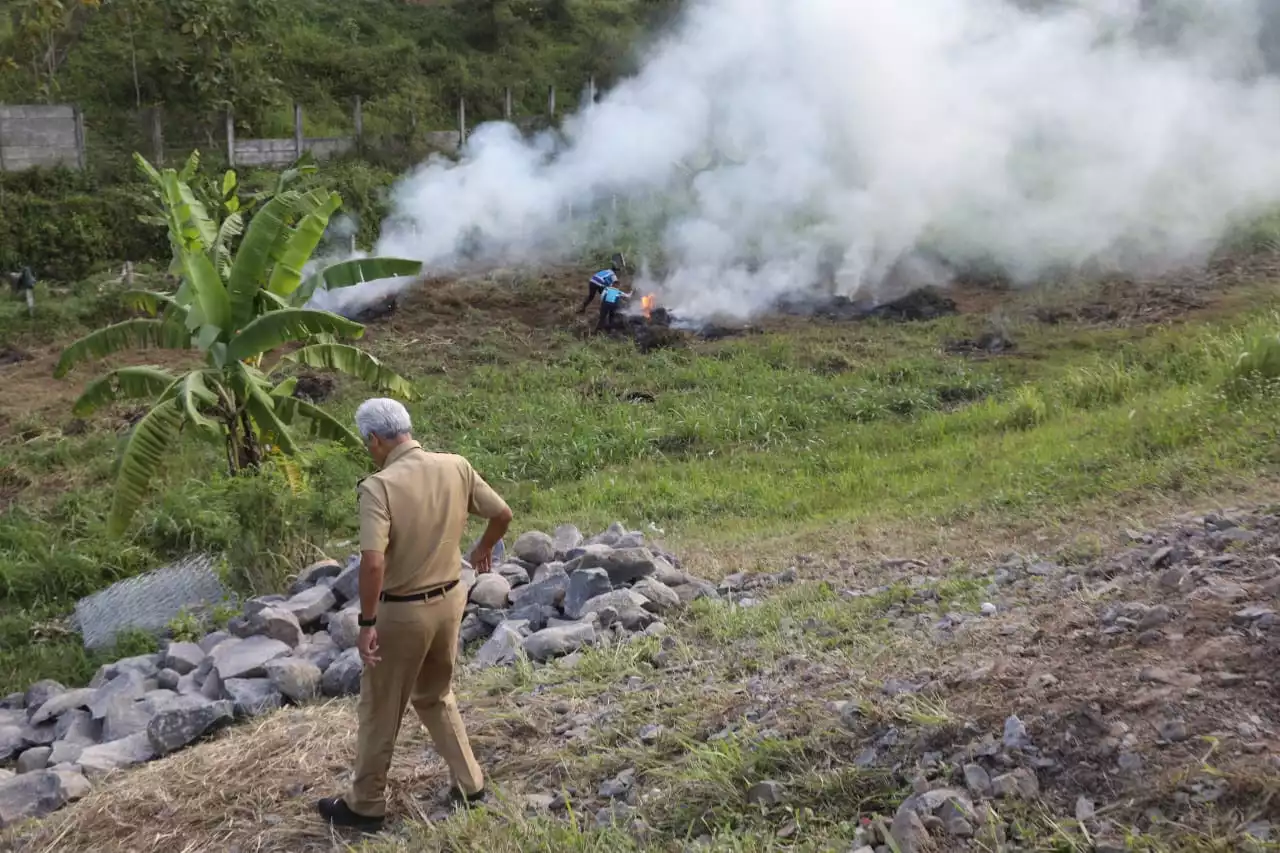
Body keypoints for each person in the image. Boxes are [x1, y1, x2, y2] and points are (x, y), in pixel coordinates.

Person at [317, 398, 513, 833]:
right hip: (450, 602)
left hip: (402, 612)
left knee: (380, 710)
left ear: (374, 440)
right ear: (406, 428)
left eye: (367, 443)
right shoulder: (455, 466)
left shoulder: (379, 487)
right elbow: (502, 514)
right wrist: (481, 552)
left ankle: (365, 805)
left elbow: (372, 563)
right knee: (436, 695)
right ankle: (470, 784)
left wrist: (367, 623)